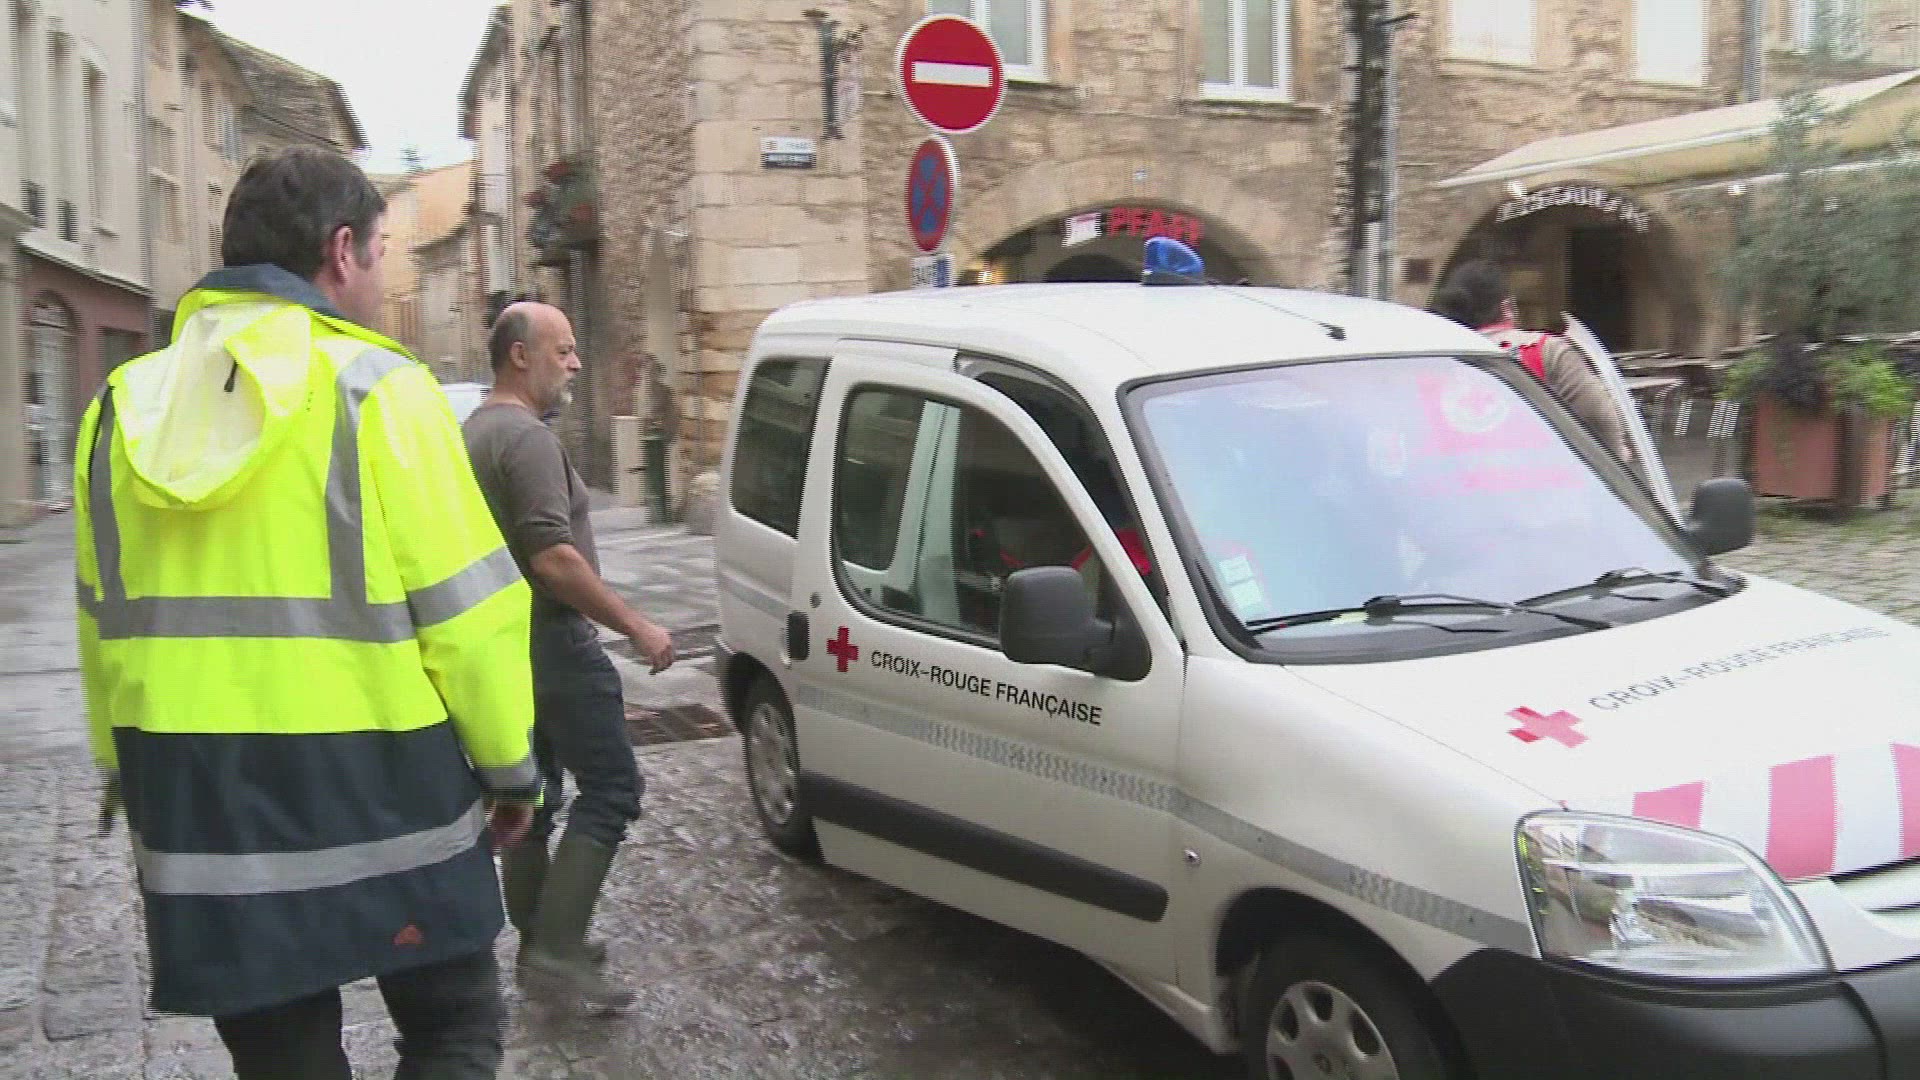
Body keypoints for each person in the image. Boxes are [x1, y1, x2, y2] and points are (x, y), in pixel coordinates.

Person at [74, 146, 540, 1079]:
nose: (378, 272)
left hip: (200, 812)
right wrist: (510, 771)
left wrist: (123, 771)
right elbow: (469, 614)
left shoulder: (119, 410)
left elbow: (100, 625)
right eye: (380, 251)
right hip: (384, 790)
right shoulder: (380, 390)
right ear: (341, 251)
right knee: (452, 1032)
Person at [464, 302, 676, 1012]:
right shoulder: (524, 439)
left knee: (532, 796)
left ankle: (540, 943)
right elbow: (553, 557)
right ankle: (556, 948)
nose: (576, 363)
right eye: (564, 350)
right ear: (519, 356)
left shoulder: (472, 432)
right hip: (554, 643)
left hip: (503, 649)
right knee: (612, 789)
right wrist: (635, 626)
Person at [1430, 259, 1633, 462]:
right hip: (1542, 475)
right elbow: (1598, 417)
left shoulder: (1433, 360)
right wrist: (1616, 460)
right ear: (1507, 308)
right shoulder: (1547, 351)